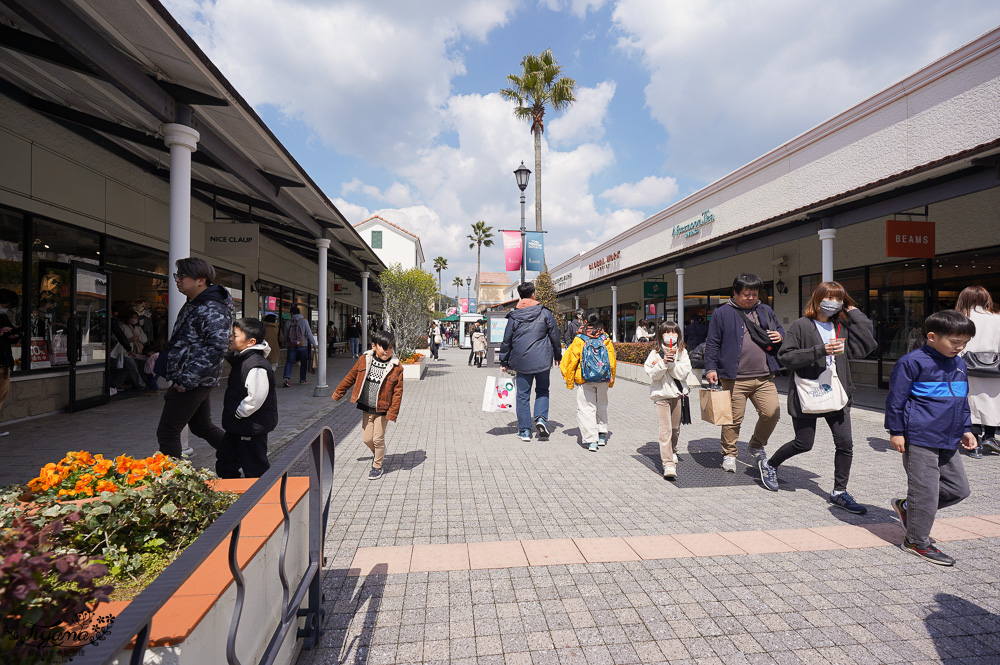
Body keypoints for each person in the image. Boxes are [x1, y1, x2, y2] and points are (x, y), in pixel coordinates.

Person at [757, 282, 878, 513]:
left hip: (837, 391)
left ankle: (839, 492)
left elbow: (866, 346)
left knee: (845, 444)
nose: (834, 303)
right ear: (818, 298)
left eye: (840, 299)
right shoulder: (801, 326)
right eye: (830, 297)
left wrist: (855, 313)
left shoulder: (841, 325)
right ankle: (770, 464)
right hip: (808, 392)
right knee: (804, 443)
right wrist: (821, 350)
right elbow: (786, 357)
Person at [887, 310, 977, 566]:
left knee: (959, 490)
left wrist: (966, 428)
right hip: (920, 437)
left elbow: (961, 399)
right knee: (925, 492)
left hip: (949, 437)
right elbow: (896, 400)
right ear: (932, 337)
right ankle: (916, 541)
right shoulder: (911, 362)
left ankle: (908, 509)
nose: (960, 348)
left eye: (965, 343)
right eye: (955, 342)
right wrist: (896, 432)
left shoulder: (959, 363)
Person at [704, 273, 784, 472]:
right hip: (734, 378)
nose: (751, 298)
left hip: (764, 376)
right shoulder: (722, 313)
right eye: (746, 294)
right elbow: (712, 343)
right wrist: (711, 368)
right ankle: (729, 454)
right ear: (735, 293)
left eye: (755, 294)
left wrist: (780, 335)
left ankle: (756, 444)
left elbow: (781, 330)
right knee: (732, 418)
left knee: (772, 412)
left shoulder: (765, 310)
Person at [155, 258, 232, 458]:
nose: (177, 280)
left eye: (182, 276)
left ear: (201, 280)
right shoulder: (196, 303)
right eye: (176, 275)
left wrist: (187, 379)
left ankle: (174, 484)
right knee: (201, 426)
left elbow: (217, 347)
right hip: (192, 379)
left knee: (168, 432)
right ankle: (246, 458)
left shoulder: (212, 307)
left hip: (192, 380)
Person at [332, 329, 404, 480]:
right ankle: (380, 452)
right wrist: (339, 392)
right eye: (384, 347)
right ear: (374, 346)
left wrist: (393, 412)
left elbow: (398, 393)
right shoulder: (364, 360)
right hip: (366, 405)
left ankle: (377, 466)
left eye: (390, 348)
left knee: (378, 438)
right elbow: (350, 377)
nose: (387, 351)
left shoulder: (396, 367)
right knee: (367, 439)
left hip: (383, 408)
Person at [499, 282, 562, 442]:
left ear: (520, 296)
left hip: (521, 361)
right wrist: (557, 356)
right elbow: (555, 336)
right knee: (542, 390)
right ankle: (541, 419)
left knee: (522, 396)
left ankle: (525, 431)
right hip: (542, 360)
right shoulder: (545, 313)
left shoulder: (514, 316)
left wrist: (504, 360)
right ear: (533, 294)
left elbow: (507, 340)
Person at [218, 318, 277, 479]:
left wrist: (239, 413)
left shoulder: (256, 365)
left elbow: (255, 397)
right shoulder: (243, 360)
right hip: (238, 425)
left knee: (255, 467)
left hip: (250, 425)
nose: (230, 338)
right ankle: (233, 497)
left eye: (235, 335)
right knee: (226, 462)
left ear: (250, 342)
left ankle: (261, 500)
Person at [644, 321, 700, 478]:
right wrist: (662, 362)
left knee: (675, 429)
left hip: (677, 395)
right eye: (667, 333)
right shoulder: (654, 353)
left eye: (674, 332)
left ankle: (673, 450)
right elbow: (653, 375)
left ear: (678, 335)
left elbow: (683, 374)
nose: (670, 336)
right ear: (661, 335)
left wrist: (671, 364)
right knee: (665, 430)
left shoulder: (682, 353)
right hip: (661, 396)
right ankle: (668, 464)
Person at [561, 311, 616, 452]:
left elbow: (570, 360)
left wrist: (569, 380)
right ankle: (602, 434)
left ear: (584, 322)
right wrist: (611, 379)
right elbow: (611, 360)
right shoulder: (605, 338)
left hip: (585, 378)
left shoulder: (580, 339)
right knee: (602, 405)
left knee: (586, 409)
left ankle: (592, 440)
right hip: (603, 378)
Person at [956, 286, 1000, 458]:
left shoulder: (960, 318)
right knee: (991, 402)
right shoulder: (997, 318)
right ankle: (990, 437)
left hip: (966, 366)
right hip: (993, 368)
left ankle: (973, 443)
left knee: (970, 404)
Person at [0, 289, 22, 436]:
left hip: (4, 363)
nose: (6, 308)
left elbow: (9, 338)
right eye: (6, 305)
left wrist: (14, 335)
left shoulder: (3, 316)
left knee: (1, 396)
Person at [282, 306, 317, 387]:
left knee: (289, 362)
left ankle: (286, 378)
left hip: (291, 345)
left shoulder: (288, 322)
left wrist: (286, 343)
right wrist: (314, 343)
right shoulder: (304, 321)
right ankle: (302, 379)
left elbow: (286, 335)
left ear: (291, 313)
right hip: (302, 345)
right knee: (303, 362)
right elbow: (309, 333)